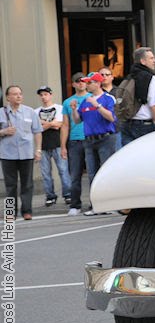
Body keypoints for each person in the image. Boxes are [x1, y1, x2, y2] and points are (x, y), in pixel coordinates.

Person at [70, 72, 117, 216]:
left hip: (105, 138)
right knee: (92, 174)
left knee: (106, 172)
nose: (86, 85)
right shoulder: (85, 101)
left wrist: (97, 106)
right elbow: (78, 120)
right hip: (89, 140)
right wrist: (73, 110)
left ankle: (109, 204)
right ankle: (95, 205)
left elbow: (111, 117)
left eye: (89, 82)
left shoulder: (108, 98)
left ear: (97, 83)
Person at [0, 85, 42, 220]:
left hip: (26, 153)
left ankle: (27, 211)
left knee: (27, 184)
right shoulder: (1, 112)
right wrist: (3, 132)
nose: (18, 96)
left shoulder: (30, 112)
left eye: (20, 94)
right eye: (14, 94)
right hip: (7, 154)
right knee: (10, 185)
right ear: (8, 97)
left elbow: (37, 132)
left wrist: (38, 150)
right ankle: (10, 212)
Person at [36, 85, 71, 207]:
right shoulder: (36, 111)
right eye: (41, 95)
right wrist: (52, 124)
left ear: (51, 95)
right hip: (43, 145)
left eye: (46, 94)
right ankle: (50, 196)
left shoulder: (59, 108)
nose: (44, 97)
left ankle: (68, 194)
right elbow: (37, 129)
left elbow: (60, 125)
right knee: (46, 173)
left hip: (57, 143)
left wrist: (45, 124)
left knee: (63, 170)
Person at [121, 47, 155, 146]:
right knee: (149, 157)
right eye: (151, 58)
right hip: (144, 126)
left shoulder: (129, 77)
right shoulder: (150, 78)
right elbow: (154, 106)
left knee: (131, 158)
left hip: (127, 125)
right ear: (143, 61)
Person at [61, 72, 90, 216]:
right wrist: (63, 146)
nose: (81, 83)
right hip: (74, 140)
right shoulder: (67, 102)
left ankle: (95, 203)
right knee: (75, 175)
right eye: (77, 81)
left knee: (93, 173)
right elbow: (65, 125)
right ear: (73, 84)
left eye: (83, 81)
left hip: (91, 138)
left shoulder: (91, 98)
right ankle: (75, 205)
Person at [98, 67, 122, 148]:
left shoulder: (120, 92)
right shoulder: (94, 94)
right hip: (101, 131)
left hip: (118, 130)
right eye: (101, 75)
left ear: (112, 77)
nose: (104, 76)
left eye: (107, 75)